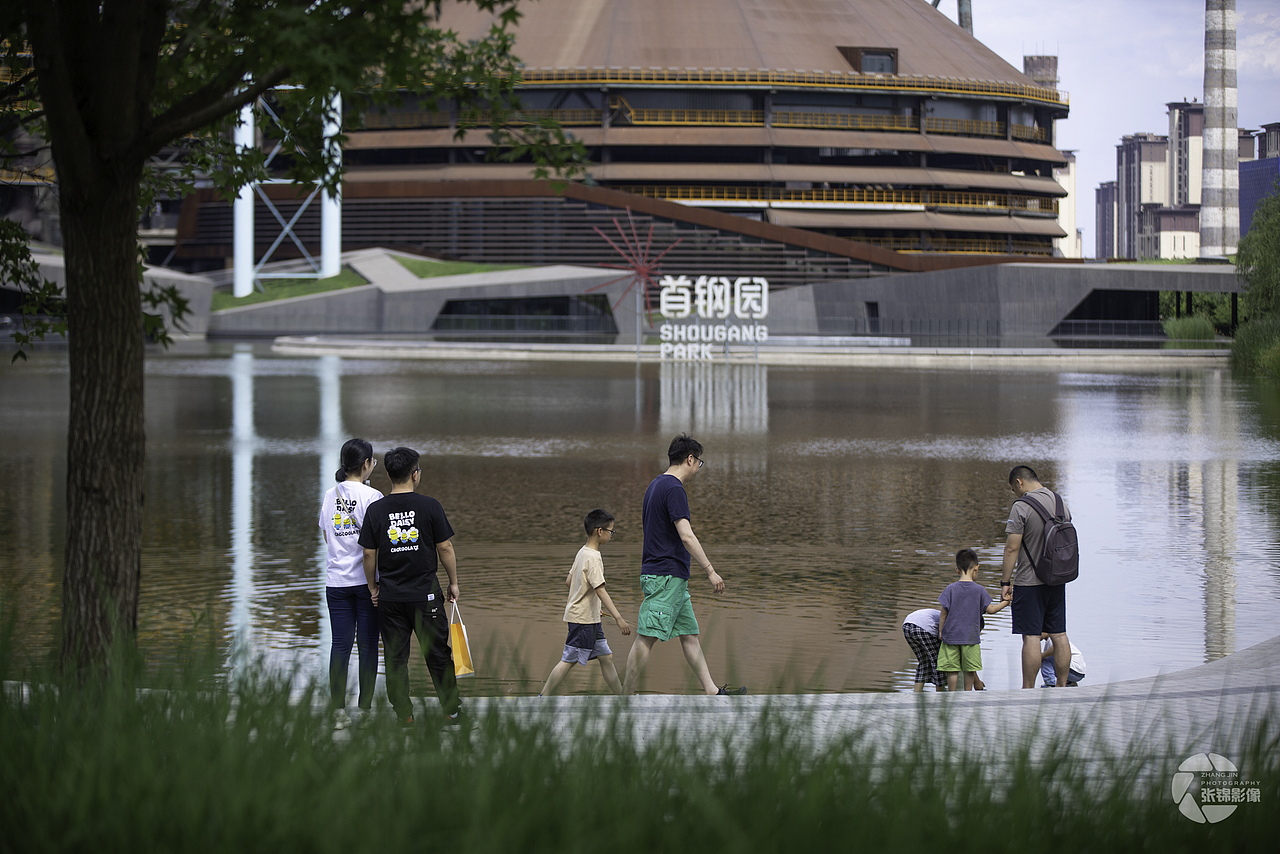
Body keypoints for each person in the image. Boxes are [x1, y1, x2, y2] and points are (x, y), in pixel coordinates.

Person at [623, 433, 744, 696]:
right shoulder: (674, 488)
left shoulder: (655, 485)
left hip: (668, 576)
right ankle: (625, 697)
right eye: (699, 462)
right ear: (690, 459)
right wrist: (710, 571)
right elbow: (686, 535)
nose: (698, 467)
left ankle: (711, 690)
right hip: (665, 576)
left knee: (689, 634)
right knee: (647, 636)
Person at [358, 446, 461, 725]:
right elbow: (445, 548)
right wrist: (453, 583)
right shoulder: (430, 506)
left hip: (390, 598)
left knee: (395, 658)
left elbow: (368, 554)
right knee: (437, 654)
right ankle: (451, 712)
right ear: (415, 474)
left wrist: (373, 588)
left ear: (388, 475)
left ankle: (404, 715)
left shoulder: (376, 510)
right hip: (425, 596)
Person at [318, 438, 383, 728]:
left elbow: (327, 536)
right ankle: (365, 711)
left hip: (336, 582)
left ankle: (337, 712)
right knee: (368, 647)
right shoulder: (374, 497)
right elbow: (376, 546)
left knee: (340, 646)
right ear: (366, 463)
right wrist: (374, 585)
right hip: (367, 583)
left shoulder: (330, 494)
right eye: (373, 462)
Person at [539, 509, 633, 696]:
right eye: (611, 531)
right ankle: (542, 698)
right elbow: (600, 590)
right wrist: (619, 618)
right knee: (569, 660)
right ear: (600, 531)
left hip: (589, 619)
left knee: (606, 657)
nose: (611, 535)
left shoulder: (582, 552)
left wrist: (590, 605)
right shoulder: (594, 558)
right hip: (583, 621)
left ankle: (622, 698)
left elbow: (569, 581)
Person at [999, 465, 1073, 689]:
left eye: (1014, 489)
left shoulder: (1021, 506)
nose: (1015, 493)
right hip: (1057, 578)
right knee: (1059, 634)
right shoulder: (1060, 502)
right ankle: (1062, 686)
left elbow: (1012, 548)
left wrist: (1005, 582)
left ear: (1019, 482)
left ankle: (1028, 689)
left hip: (1029, 582)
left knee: (1031, 636)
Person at [937, 548, 1009, 692]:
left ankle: (951, 695)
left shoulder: (950, 589)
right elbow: (991, 610)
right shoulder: (979, 590)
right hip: (970, 638)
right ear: (976, 568)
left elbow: (943, 613)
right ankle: (967, 695)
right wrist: (1006, 602)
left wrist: (941, 631)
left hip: (950, 637)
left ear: (957, 570)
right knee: (969, 669)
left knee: (952, 670)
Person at [902, 608, 947, 692]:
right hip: (924, 626)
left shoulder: (937, 614)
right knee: (938, 661)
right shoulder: (947, 619)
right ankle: (941, 693)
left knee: (924, 661)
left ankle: (917, 692)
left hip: (907, 625)